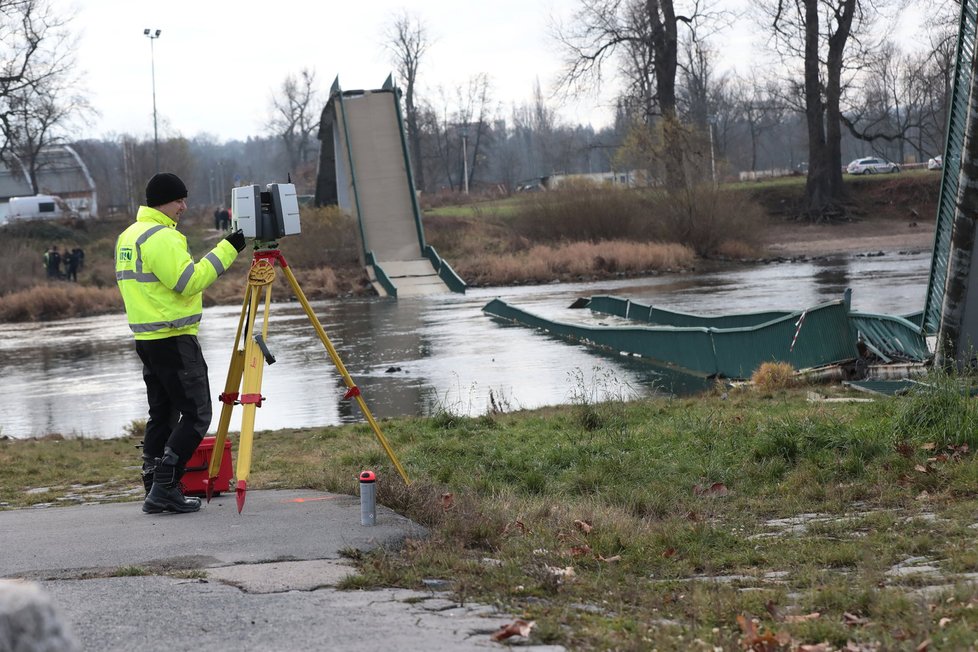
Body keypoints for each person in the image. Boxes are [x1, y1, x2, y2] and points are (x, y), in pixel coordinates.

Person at [115, 172, 246, 514]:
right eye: (180, 201)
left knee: (163, 412)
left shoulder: (129, 236)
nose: (184, 207)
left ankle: (152, 485)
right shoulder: (162, 237)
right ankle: (166, 487)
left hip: (147, 338)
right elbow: (190, 282)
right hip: (173, 338)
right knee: (197, 412)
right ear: (165, 201)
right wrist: (230, 247)